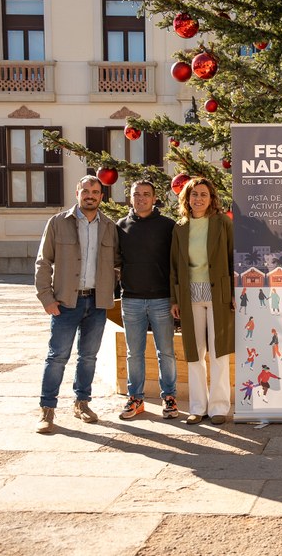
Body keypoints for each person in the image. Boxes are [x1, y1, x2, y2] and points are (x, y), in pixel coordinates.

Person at [34, 175, 120, 434]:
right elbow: (43, 262)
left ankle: (82, 403)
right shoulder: (58, 223)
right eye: (86, 191)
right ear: (77, 193)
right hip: (65, 302)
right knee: (57, 357)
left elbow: (117, 263)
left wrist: (112, 288)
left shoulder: (109, 226)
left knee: (88, 357)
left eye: (95, 191)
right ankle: (47, 409)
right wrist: (46, 298)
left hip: (97, 302)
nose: (90, 195)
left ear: (101, 196)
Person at [170, 177, 234, 426]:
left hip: (217, 294)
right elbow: (174, 267)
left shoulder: (222, 223)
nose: (198, 199)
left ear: (211, 198)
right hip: (189, 295)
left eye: (203, 194)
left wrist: (232, 292)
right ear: (187, 198)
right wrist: (175, 298)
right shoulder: (180, 227)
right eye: (194, 194)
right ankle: (197, 407)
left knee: (219, 352)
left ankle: (219, 407)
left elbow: (232, 258)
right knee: (195, 353)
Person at [116, 180, 178, 421]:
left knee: (167, 352)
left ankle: (170, 397)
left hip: (161, 299)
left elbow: (175, 263)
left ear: (155, 198)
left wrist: (175, 297)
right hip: (131, 299)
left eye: (146, 194)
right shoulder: (120, 226)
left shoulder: (168, 226)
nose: (141, 198)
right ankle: (136, 398)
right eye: (136, 194)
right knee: (134, 353)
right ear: (130, 198)